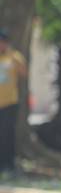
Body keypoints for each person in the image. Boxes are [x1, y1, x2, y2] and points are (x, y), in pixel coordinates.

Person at [0, 28, 27, 172]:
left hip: (10, 102)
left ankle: (9, 164)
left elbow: (24, 72)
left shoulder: (14, 57)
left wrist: (14, 57)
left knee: (8, 134)